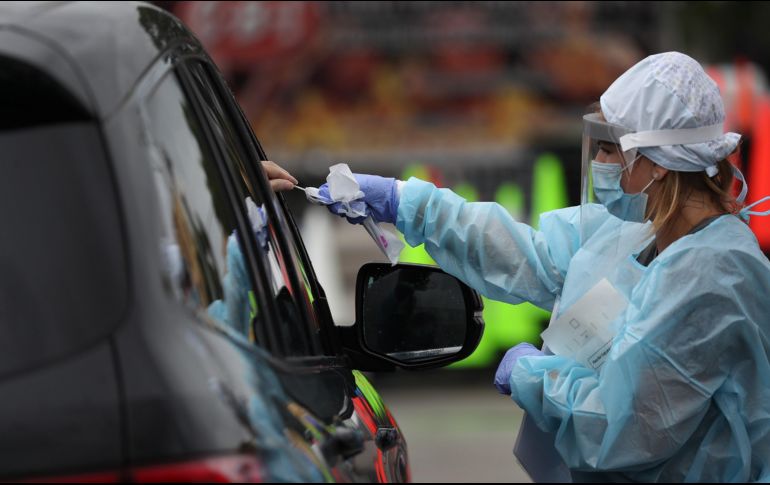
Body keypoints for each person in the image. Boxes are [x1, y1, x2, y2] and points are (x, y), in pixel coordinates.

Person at [309, 52, 770, 482]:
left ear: (659, 163)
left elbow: (625, 428)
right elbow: (530, 255)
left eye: (611, 149)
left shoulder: (714, 275)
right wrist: (409, 204)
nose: (600, 163)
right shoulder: (641, 231)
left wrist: (539, 379)